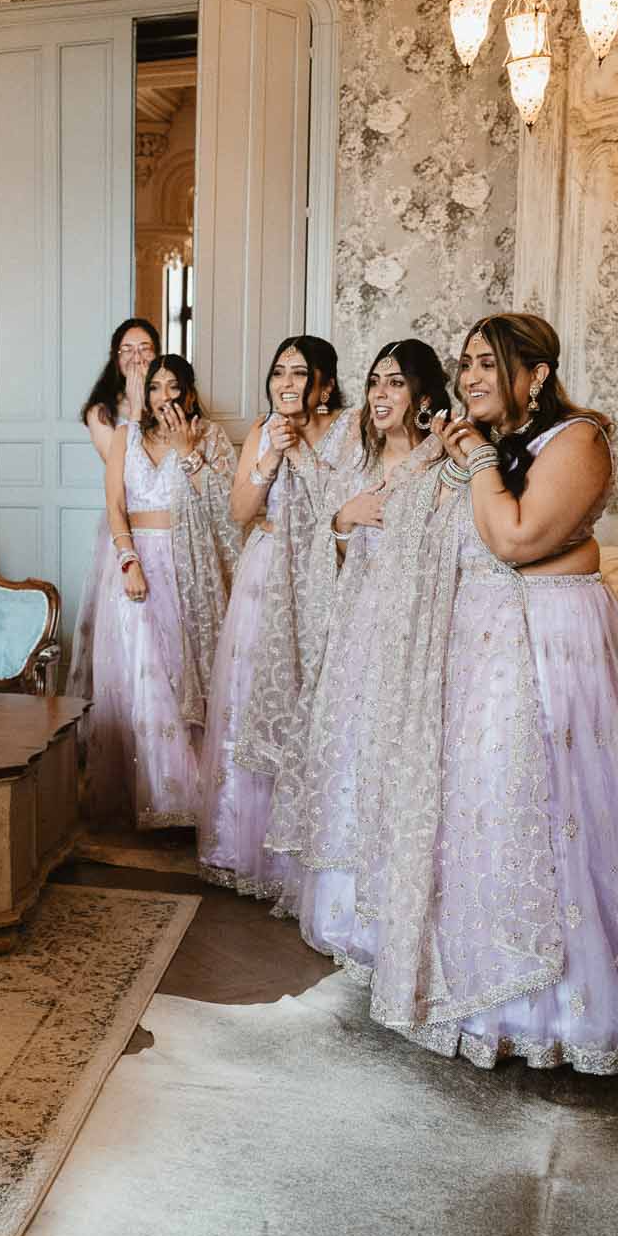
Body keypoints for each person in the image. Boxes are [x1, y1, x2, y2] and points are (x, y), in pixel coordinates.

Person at [355, 312, 618, 1072]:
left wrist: (480, 462)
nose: (470, 378)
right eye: (465, 364)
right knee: (483, 815)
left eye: (488, 363)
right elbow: (415, 527)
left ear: (537, 373)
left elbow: (515, 538)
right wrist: (449, 460)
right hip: (479, 651)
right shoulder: (472, 445)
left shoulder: (577, 439)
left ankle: (563, 1011)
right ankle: (483, 995)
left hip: (550, 649)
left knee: (554, 814)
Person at [264, 338, 448, 961]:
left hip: (411, 631)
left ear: (422, 395)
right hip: (355, 630)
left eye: (395, 382)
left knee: (392, 757)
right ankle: (342, 913)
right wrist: (342, 520)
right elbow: (329, 544)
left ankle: (388, 919)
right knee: (345, 750)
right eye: (374, 382)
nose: (380, 394)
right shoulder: (358, 462)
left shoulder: (441, 466)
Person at [196, 335, 354, 899]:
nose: (286, 383)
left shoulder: (350, 430)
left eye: (300, 373)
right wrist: (269, 458)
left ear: (325, 384)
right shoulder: (264, 430)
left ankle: (308, 860)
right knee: (251, 696)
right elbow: (239, 510)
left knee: (315, 697)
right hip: (265, 572)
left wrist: (304, 453)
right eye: (279, 372)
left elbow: (343, 505)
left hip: (323, 572)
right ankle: (247, 847)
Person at [84, 355, 238, 829]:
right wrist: (128, 560)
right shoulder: (126, 435)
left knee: (180, 673)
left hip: (187, 563)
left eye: (173, 386)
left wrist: (188, 450)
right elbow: (115, 506)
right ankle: (160, 797)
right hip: (134, 564)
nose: (163, 396)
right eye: (155, 387)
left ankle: (192, 797)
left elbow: (229, 507)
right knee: (143, 672)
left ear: (188, 391)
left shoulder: (208, 435)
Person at [67, 316, 163, 713]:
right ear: (115, 357)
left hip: (167, 527)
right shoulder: (101, 412)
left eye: (145, 349)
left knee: (163, 627)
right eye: (127, 350)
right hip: (123, 524)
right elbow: (124, 469)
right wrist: (138, 409)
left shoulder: (172, 398)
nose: (136, 357)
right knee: (126, 624)